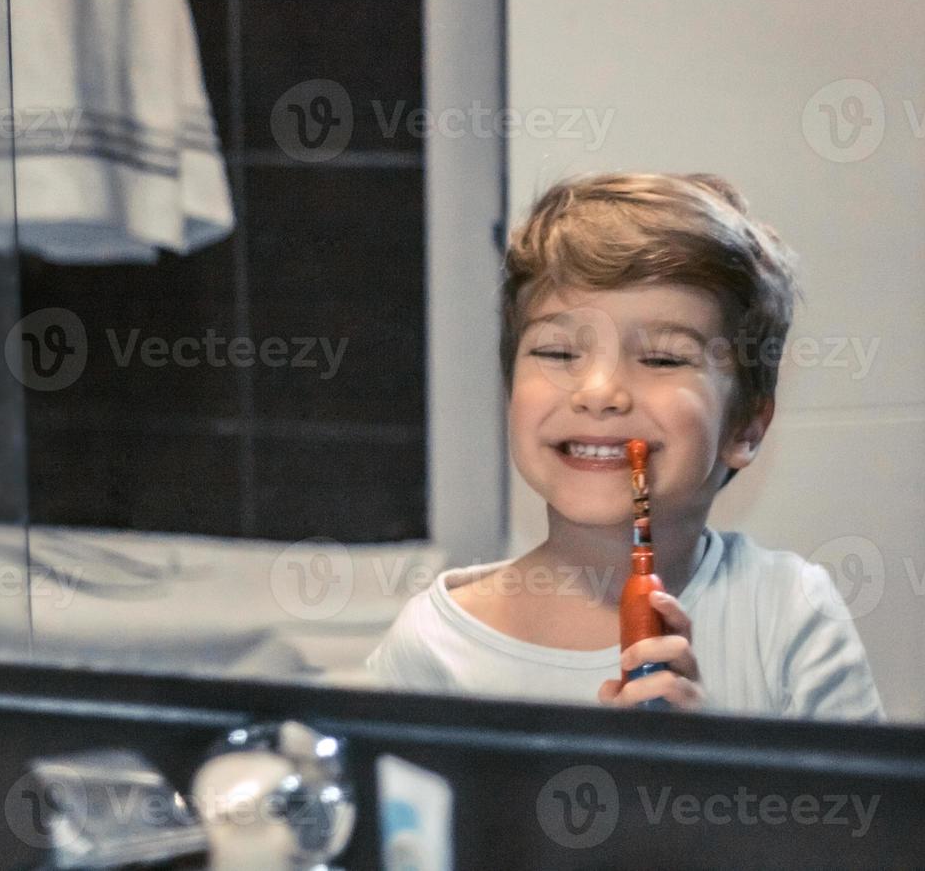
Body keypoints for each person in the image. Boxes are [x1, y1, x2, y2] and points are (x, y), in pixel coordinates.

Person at [365, 172, 884, 721]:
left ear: (745, 430)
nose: (598, 393)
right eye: (560, 354)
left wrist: (701, 766)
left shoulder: (789, 611)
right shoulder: (434, 647)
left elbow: (864, 809)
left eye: (663, 359)